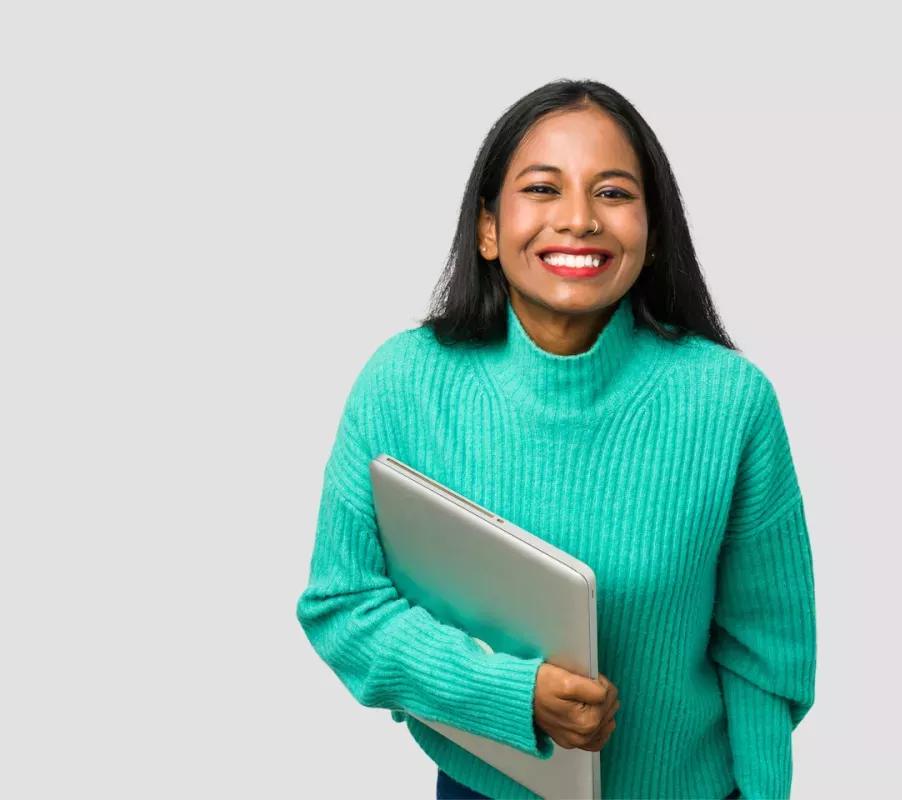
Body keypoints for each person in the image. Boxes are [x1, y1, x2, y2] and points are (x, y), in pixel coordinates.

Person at [295, 78, 817, 800]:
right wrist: (510, 695)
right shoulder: (403, 384)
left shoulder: (730, 402)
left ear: (654, 231)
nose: (577, 220)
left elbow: (766, 655)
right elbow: (343, 605)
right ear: (486, 228)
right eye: (543, 189)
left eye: (613, 193)